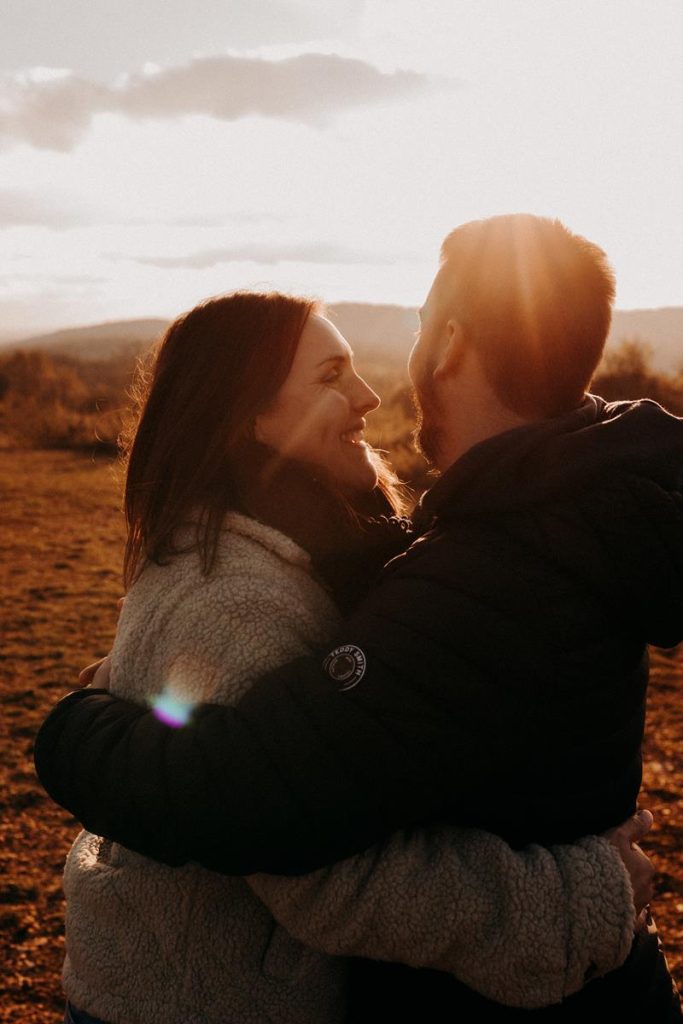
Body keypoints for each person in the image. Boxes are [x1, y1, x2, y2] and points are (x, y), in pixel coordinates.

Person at [35, 217, 683, 1020]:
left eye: (409, 333)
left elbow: (245, 800)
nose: (375, 394)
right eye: (329, 375)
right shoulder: (568, 502)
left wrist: (75, 727)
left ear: (448, 343)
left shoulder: (487, 571)